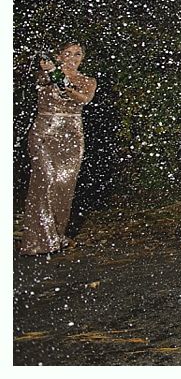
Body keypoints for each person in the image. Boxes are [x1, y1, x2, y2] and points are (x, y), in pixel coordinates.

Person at [20, 42, 97, 255]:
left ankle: (56, 234)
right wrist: (51, 71)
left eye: (78, 54)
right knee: (44, 180)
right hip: (44, 133)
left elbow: (82, 98)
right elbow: (45, 81)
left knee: (64, 185)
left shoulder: (87, 81)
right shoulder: (44, 75)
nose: (73, 57)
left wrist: (62, 80)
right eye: (67, 53)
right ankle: (39, 242)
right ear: (58, 55)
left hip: (72, 135)